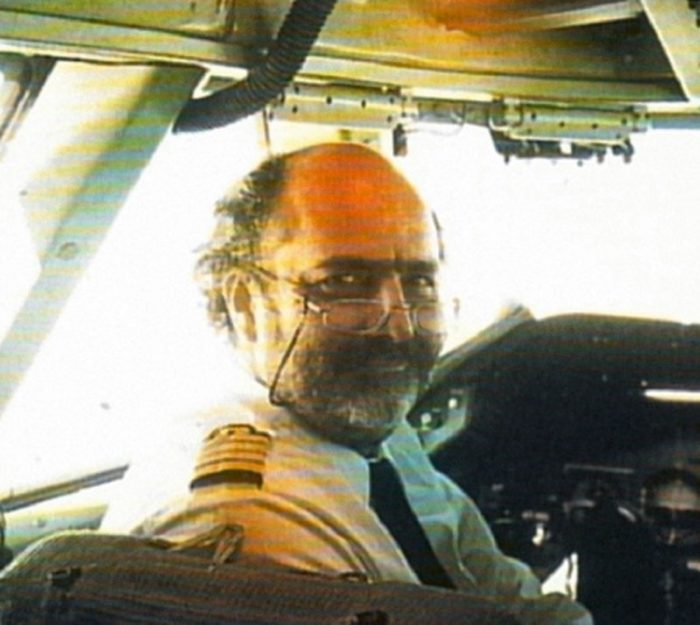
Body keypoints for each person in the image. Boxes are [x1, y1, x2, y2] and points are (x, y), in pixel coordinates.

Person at [101, 143, 591, 625]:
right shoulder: (254, 518)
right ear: (246, 305)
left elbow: (502, 592)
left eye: (419, 283)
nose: (401, 328)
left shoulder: (371, 431)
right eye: (344, 282)